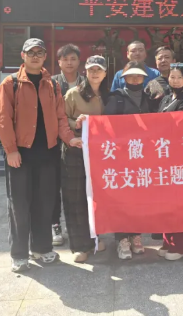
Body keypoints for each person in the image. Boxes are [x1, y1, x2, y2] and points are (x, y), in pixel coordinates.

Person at [0, 38, 82, 273]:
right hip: (21, 154)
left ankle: (41, 248)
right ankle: (19, 254)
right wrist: (11, 150)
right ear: (23, 56)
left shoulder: (51, 84)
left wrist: (69, 138)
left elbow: (61, 117)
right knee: (19, 205)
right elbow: (2, 119)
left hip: (48, 153)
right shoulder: (11, 83)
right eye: (30, 52)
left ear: (45, 57)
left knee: (45, 203)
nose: (35, 56)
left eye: (39, 52)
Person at [104, 61, 154, 259]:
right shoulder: (115, 99)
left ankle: (136, 235)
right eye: (131, 76)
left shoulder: (150, 98)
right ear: (123, 78)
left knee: (140, 199)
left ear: (144, 78)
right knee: (121, 199)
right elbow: (106, 126)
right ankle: (122, 238)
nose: (135, 79)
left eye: (138, 75)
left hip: (142, 157)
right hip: (121, 158)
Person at [61, 55, 108, 263]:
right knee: (76, 197)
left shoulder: (109, 95)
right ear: (85, 72)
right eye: (91, 70)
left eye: (99, 70)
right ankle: (80, 245)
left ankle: (94, 238)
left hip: (101, 153)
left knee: (97, 197)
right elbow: (61, 118)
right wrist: (77, 124)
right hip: (76, 150)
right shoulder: (74, 94)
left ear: (105, 73)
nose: (95, 73)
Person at [155, 63, 183, 260]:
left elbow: (180, 126)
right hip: (165, 155)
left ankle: (181, 245)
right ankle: (168, 241)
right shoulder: (166, 98)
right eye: (172, 77)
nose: (174, 81)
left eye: (179, 77)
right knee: (167, 201)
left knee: (181, 202)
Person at [50, 44, 86, 247]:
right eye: (65, 59)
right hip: (55, 141)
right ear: (59, 62)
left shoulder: (86, 82)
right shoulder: (51, 82)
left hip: (80, 142)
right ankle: (55, 224)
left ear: (79, 61)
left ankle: (80, 227)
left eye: (73, 58)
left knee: (78, 187)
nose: (69, 63)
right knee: (54, 185)